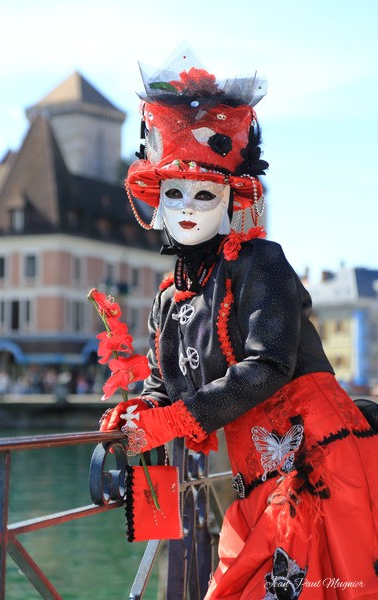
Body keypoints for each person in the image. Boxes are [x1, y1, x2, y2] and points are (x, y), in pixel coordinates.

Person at [100, 49, 378, 599]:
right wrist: (143, 410)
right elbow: (168, 384)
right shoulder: (167, 301)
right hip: (255, 476)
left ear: (231, 201)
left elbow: (268, 364)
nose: (186, 207)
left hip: (316, 464)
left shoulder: (262, 262)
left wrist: (173, 422)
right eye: (173, 192)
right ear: (156, 202)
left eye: (204, 194)